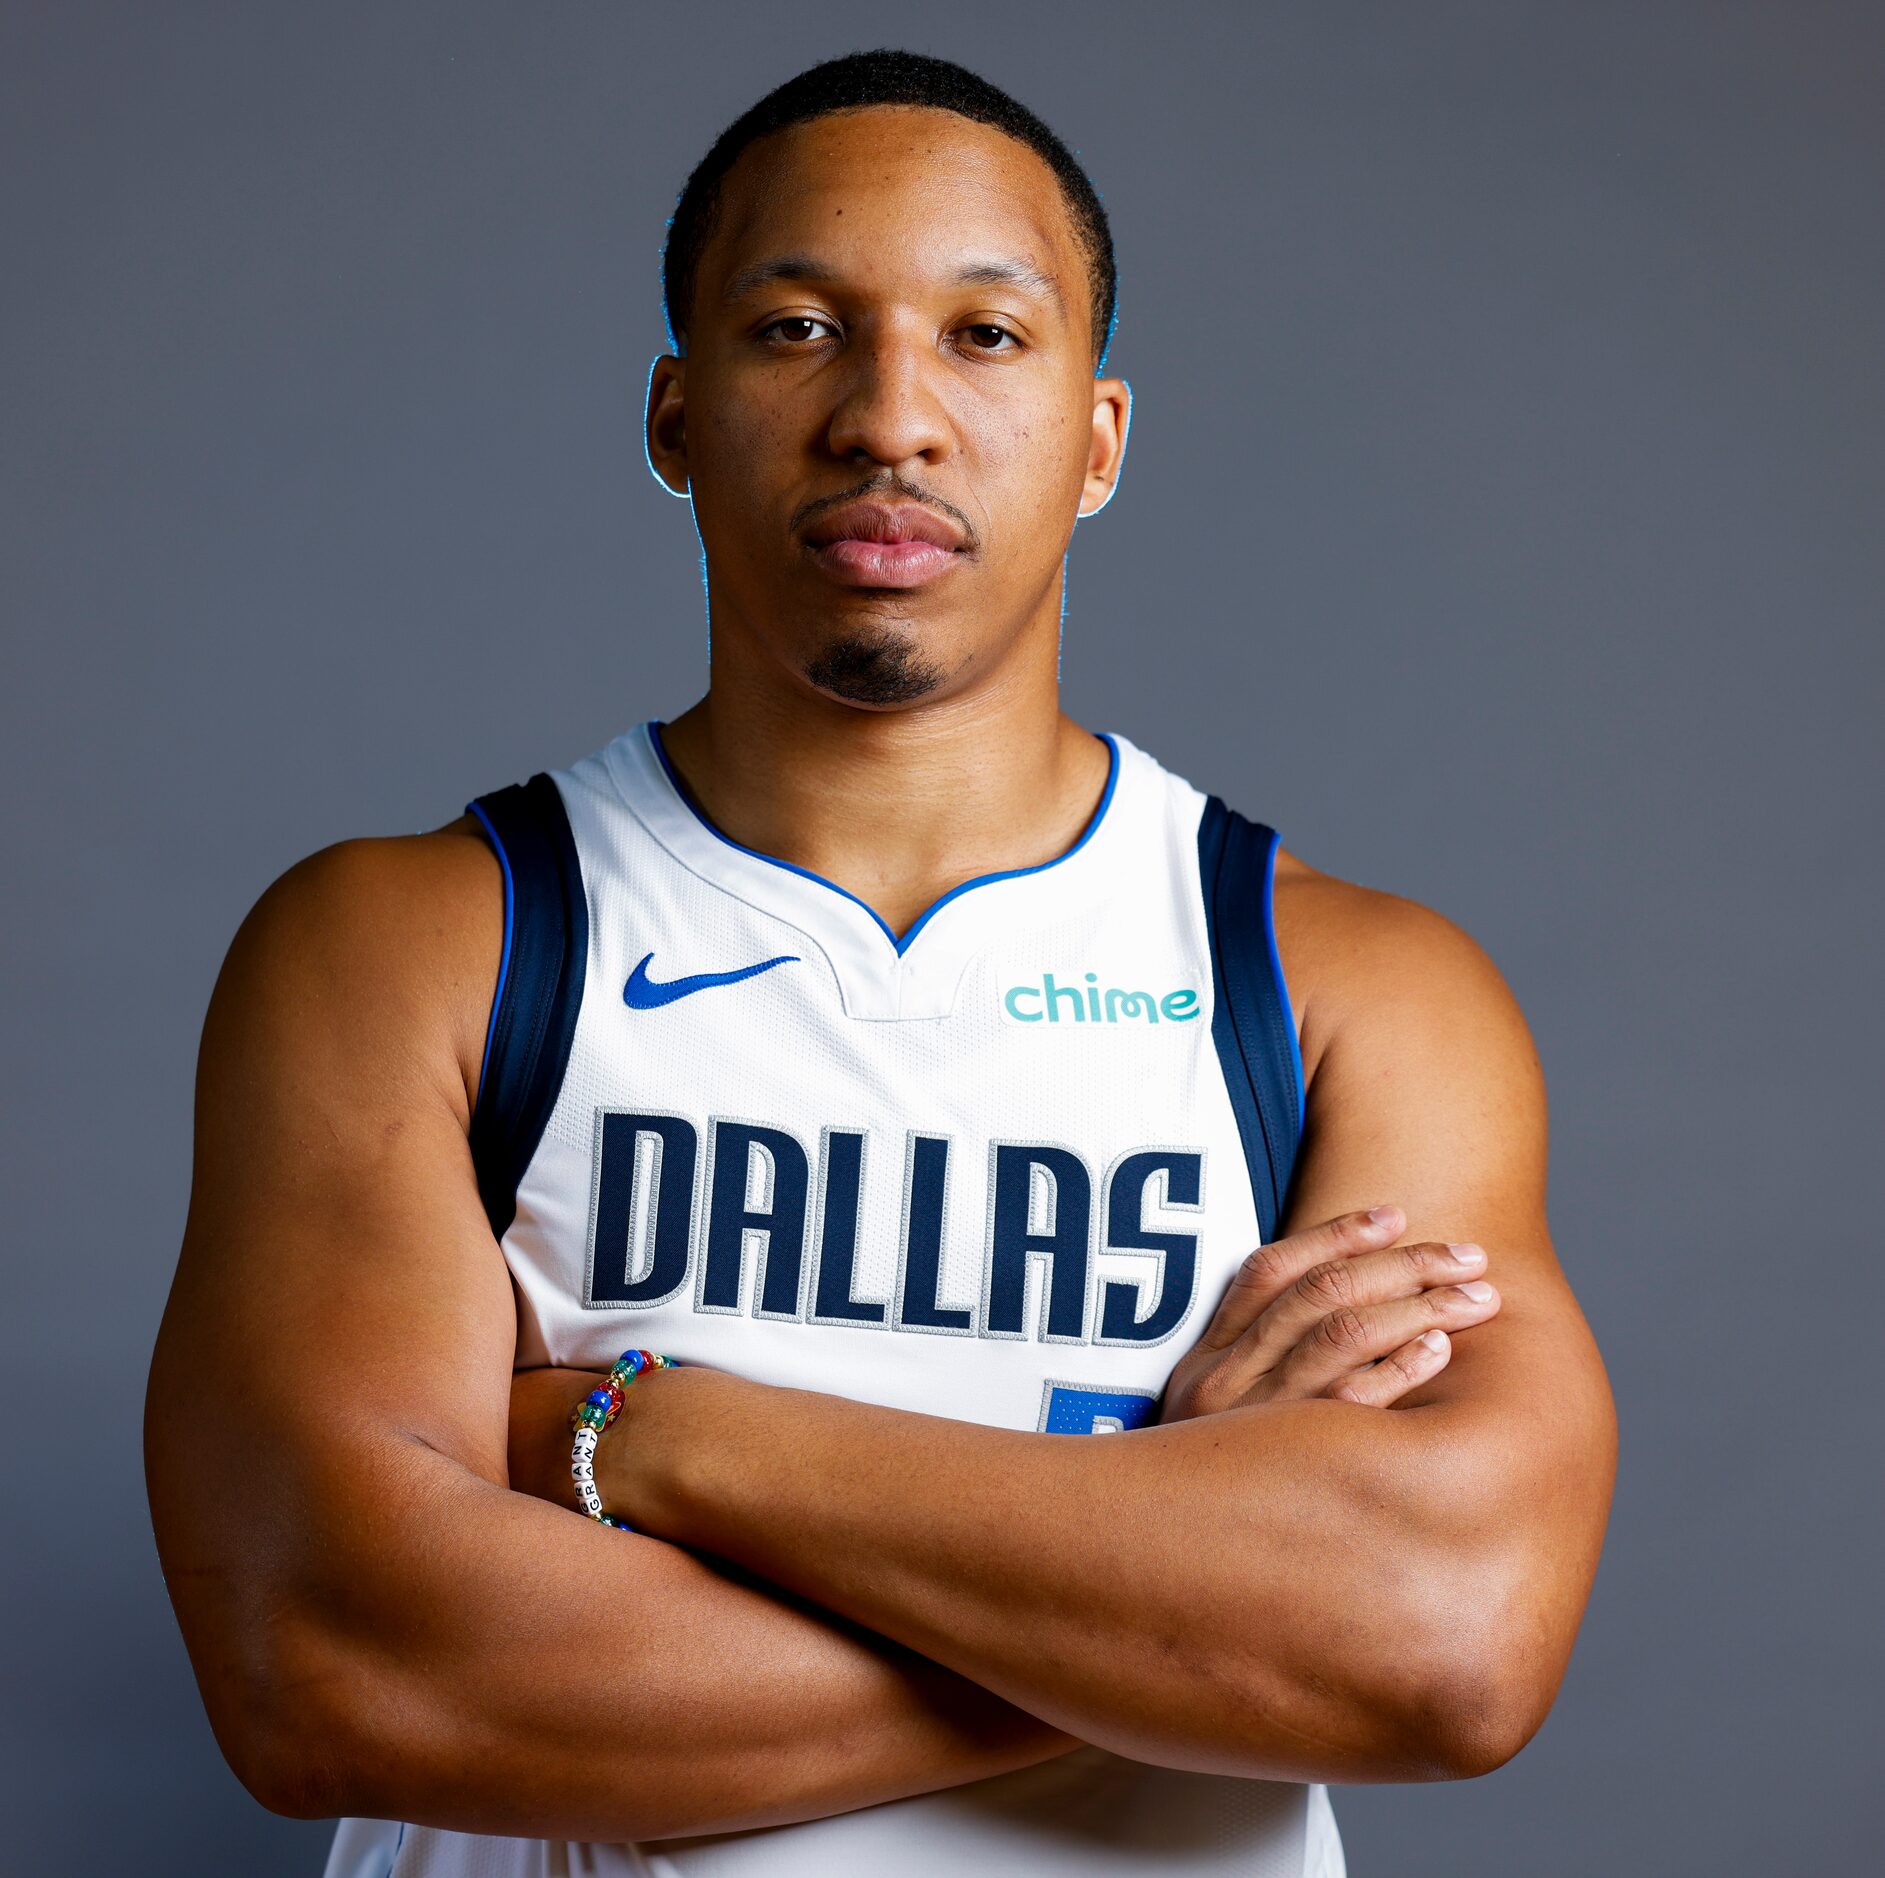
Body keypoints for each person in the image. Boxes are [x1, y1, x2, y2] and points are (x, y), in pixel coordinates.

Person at [145, 47, 1616, 1878]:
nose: (890, 418)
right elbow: (335, 1671)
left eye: (985, 336)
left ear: (1096, 438)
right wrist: (1181, 1596)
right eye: (794, 329)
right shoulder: (423, 943)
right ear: (677, 416)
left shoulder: (1347, 993)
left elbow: (1440, 1643)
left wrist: (651, 1436)